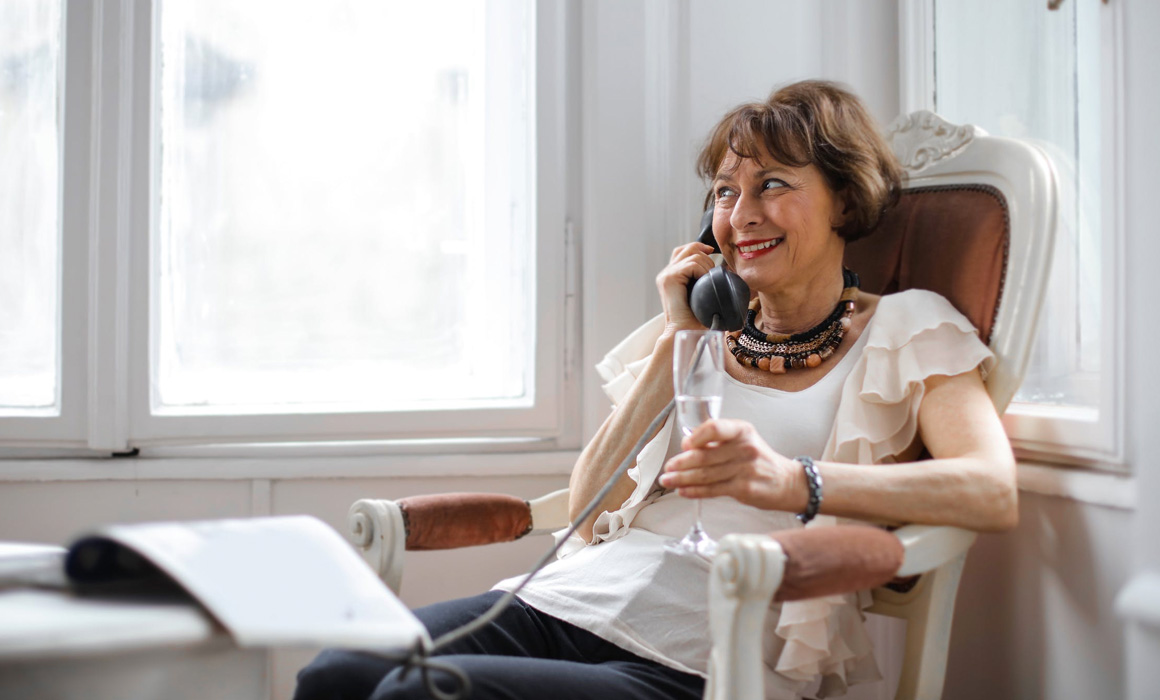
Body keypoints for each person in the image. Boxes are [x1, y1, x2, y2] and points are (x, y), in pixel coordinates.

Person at [294, 80, 1017, 700]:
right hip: (572, 600)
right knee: (337, 675)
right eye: (725, 195)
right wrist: (680, 337)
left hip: (703, 650)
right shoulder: (703, 327)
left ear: (844, 201)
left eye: (773, 185)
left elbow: (990, 489)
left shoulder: (908, 327)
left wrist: (791, 480)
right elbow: (586, 508)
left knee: (419, 693)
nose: (742, 216)